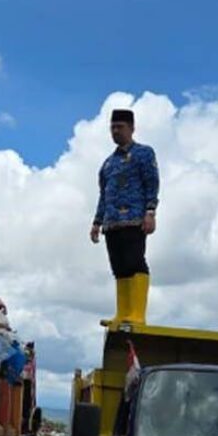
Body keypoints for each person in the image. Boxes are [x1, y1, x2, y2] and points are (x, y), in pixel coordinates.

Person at [90, 108, 159, 325]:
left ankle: (137, 314)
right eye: (112, 128)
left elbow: (152, 183)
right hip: (111, 223)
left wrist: (150, 211)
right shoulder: (107, 164)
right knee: (118, 267)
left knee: (134, 262)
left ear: (131, 128)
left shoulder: (144, 153)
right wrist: (97, 222)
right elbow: (104, 194)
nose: (115, 131)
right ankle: (122, 313)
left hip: (134, 218)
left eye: (120, 127)